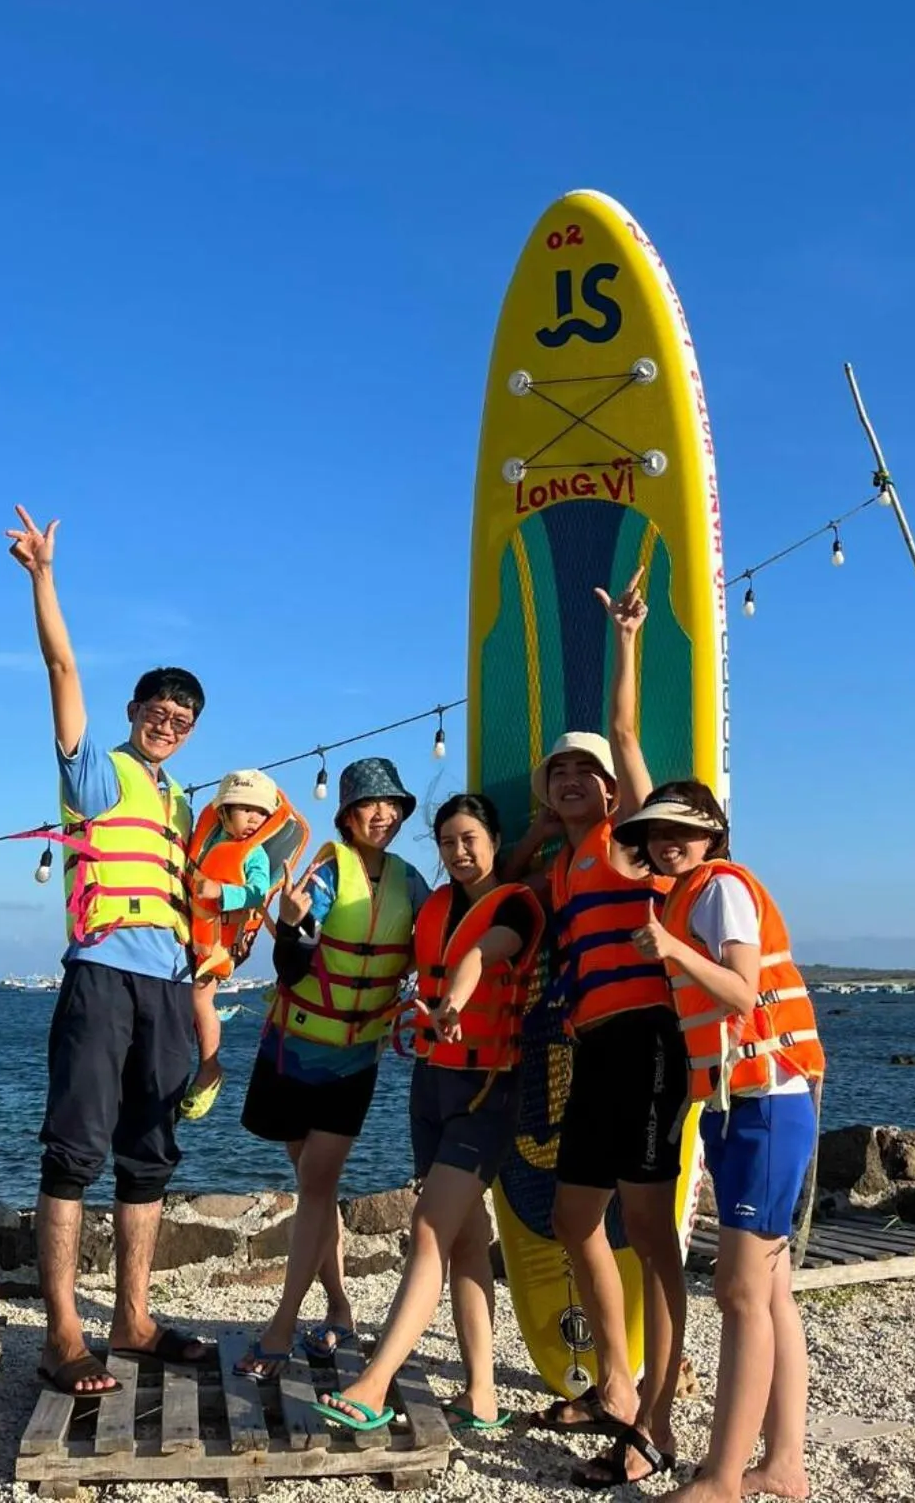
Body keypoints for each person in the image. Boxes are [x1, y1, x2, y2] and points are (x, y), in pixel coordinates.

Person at [6, 505, 211, 1400]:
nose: (169, 722)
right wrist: (44, 577)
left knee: (149, 1155)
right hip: (100, 980)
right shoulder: (95, 769)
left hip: (165, 987)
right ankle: (62, 1333)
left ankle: (131, 1320)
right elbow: (61, 664)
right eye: (158, 709)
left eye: (183, 715)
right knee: (73, 1153)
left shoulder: (179, 803)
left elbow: (203, 902)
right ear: (133, 712)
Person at [526, 568, 691, 1488]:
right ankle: (620, 1387)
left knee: (649, 1229)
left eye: (586, 770)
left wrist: (627, 638)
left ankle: (654, 1421)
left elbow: (626, 734)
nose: (576, 778)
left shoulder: (635, 834)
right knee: (572, 1216)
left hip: (648, 1045)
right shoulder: (561, 861)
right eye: (561, 771)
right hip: (592, 1051)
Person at [618, 780, 824, 1503]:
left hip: (766, 1106)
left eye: (683, 830)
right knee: (769, 1294)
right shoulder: (686, 894)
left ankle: (722, 1479)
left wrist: (671, 946)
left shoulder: (717, 891)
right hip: (745, 1106)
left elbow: (740, 990)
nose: (667, 842)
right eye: (655, 832)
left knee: (739, 1292)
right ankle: (784, 1465)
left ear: (712, 834)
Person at [317, 794, 543, 1435]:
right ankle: (482, 1394)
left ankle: (373, 1382)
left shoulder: (518, 907)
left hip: (486, 1089)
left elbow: (480, 956)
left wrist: (453, 1005)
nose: (460, 851)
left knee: (427, 1230)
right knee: (467, 1240)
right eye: (447, 842)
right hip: (431, 1088)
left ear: (494, 840)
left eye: (470, 838)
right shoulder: (436, 905)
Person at [236, 756, 430, 1377]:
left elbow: (441, 939)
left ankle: (281, 1327)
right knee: (313, 1188)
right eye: (371, 804)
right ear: (347, 815)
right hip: (292, 1052)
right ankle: (341, 1308)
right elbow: (291, 970)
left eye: (392, 805)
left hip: (355, 1060)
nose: (384, 814)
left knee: (317, 1185)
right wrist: (289, 930)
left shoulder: (411, 882)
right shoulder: (324, 870)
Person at [181, 769, 302, 1125]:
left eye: (261, 813)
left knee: (201, 1000)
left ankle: (210, 1067)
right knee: (183, 1006)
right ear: (222, 812)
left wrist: (222, 893)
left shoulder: (254, 855)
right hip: (192, 934)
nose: (254, 819)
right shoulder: (208, 840)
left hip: (220, 943)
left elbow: (257, 892)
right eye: (244, 810)